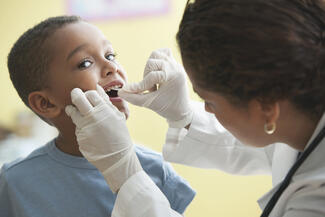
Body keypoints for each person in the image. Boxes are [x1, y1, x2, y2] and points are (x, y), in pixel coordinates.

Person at [66, 0, 325, 216]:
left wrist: (124, 173)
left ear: (268, 108)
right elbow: (271, 144)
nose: (207, 111)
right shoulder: (299, 115)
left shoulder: (317, 202)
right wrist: (184, 116)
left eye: (209, 101)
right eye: (85, 62)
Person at [0, 15, 196, 217]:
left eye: (110, 55)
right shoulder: (15, 182)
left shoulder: (155, 169)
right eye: (85, 63)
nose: (112, 67)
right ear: (46, 103)